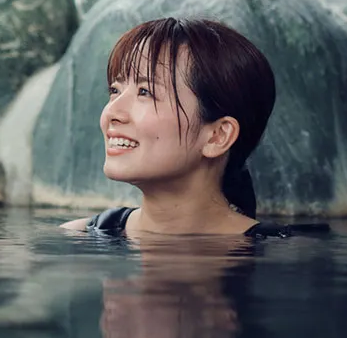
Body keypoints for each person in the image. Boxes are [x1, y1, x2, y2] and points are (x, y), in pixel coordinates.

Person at [62, 16, 287, 240]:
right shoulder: (79, 235)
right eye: (115, 90)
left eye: (145, 92)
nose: (112, 112)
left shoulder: (276, 250)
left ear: (217, 136)